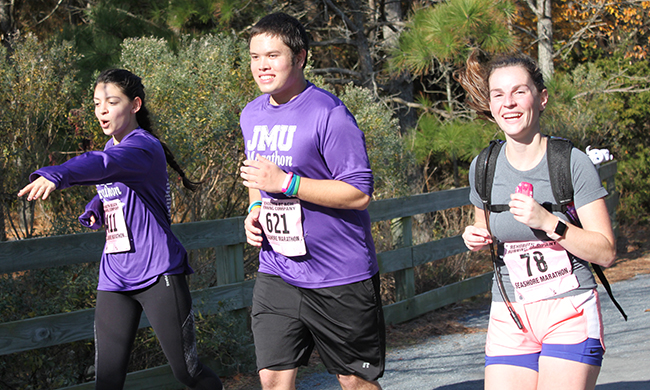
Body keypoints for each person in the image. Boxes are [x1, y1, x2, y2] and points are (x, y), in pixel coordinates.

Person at [18, 69, 223, 390]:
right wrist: (95, 207)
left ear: (135, 104)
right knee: (107, 381)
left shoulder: (142, 147)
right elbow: (113, 181)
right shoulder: (111, 147)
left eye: (112, 102)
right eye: (97, 103)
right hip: (115, 276)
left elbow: (101, 165)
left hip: (157, 273)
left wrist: (57, 174)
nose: (101, 110)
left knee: (189, 372)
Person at [239, 12, 385, 390]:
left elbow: (358, 193)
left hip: (338, 274)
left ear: (300, 57)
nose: (262, 65)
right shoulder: (251, 115)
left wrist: (286, 183)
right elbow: (258, 176)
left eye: (272, 55)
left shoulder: (329, 114)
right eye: (255, 56)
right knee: (272, 381)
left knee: (354, 382)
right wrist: (255, 208)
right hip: (277, 270)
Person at [457, 51, 616, 390]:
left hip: (569, 308)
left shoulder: (570, 163)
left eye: (519, 92)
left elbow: (605, 252)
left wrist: (549, 222)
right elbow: (484, 228)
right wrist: (474, 236)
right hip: (510, 312)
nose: (509, 103)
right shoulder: (483, 167)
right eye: (498, 95)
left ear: (541, 98)